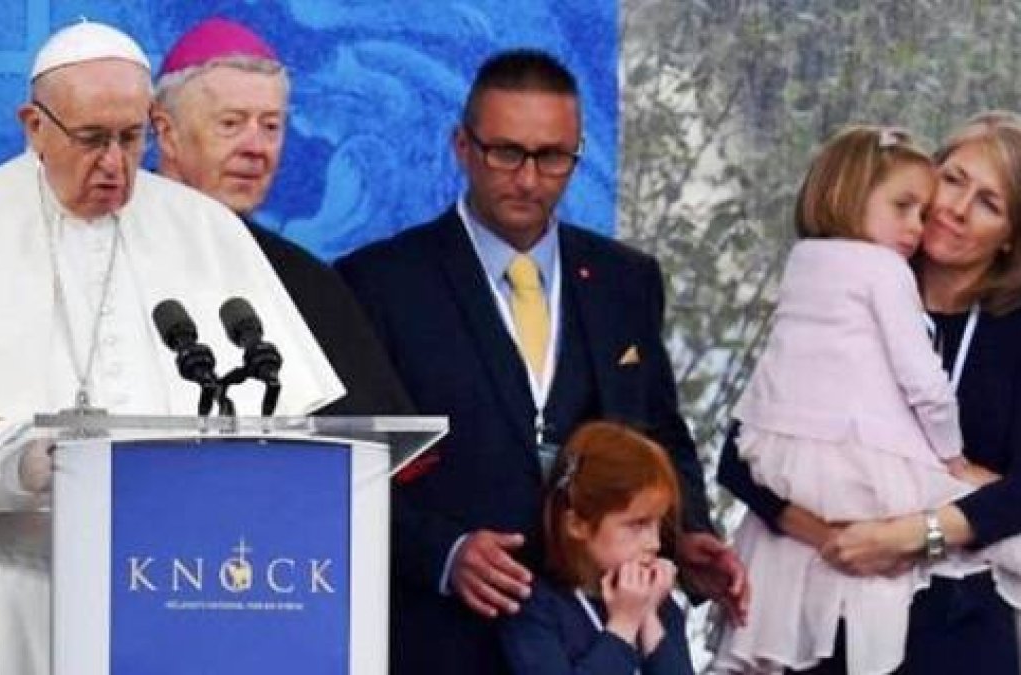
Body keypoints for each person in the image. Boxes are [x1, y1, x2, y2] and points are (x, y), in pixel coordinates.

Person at [0, 21, 343, 675]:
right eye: (93, 139)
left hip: (173, 584)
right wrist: (21, 455)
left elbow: (283, 426)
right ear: (34, 125)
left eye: (133, 137)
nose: (116, 164)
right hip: (3, 587)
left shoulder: (206, 232)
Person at [337, 49, 747, 675]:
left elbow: (659, 430)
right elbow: (349, 467)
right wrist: (443, 553)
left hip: (598, 637)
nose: (528, 179)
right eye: (506, 151)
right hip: (441, 641)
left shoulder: (626, 279)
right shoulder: (379, 282)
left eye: (552, 157)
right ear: (462, 146)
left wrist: (686, 532)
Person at [719, 111, 1021, 674]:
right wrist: (833, 534)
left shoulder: (1011, 333)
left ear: (1009, 240)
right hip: (822, 607)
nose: (954, 207)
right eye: (952, 179)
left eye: (989, 202)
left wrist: (909, 536)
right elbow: (741, 450)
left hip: (958, 626)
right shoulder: (844, 281)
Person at [152, 17, 411, 416]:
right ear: (168, 134)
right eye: (230, 124)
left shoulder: (309, 283)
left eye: (271, 126)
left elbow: (366, 448)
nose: (257, 147)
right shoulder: (102, 256)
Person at [499, 420, 692, 675]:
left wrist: (649, 621)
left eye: (658, 523)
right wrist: (622, 626)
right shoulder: (534, 609)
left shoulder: (660, 605)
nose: (654, 543)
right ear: (577, 524)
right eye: (637, 524)